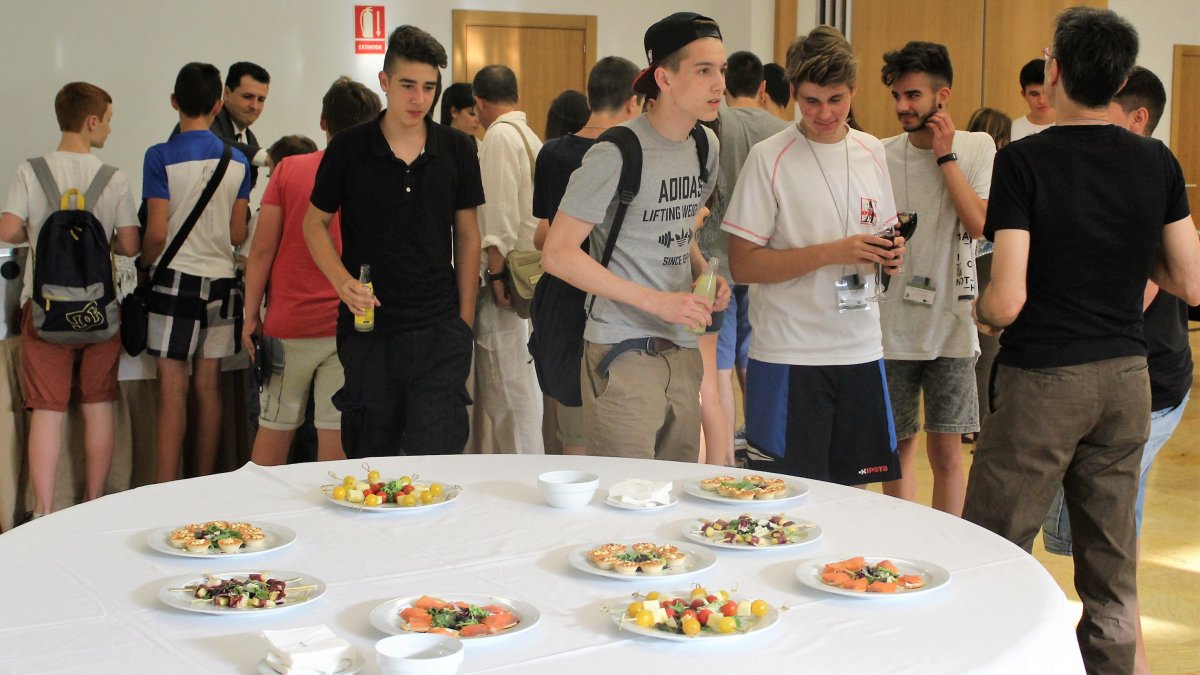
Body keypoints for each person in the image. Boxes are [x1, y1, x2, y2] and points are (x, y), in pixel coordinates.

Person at [964, 9, 1200, 672]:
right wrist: (1123, 265)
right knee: (1110, 571)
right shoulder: (1156, 161)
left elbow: (1007, 298)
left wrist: (982, 310)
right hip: (1128, 376)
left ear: (1056, 72)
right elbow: (1190, 277)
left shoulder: (1024, 162)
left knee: (997, 551)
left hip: (1044, 381)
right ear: (1122, 77)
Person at [1037, 66, 1188, 675]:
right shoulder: (1132, 172)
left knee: (1107, 549)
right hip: (1132, 383)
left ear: (1137, 119)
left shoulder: (1149, 173)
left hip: (1141, 387)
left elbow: (1141, 294)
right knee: (1109, 548)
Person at [721, 26, 905, 486]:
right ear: (793, 94)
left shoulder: (872, 151)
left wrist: (890, 255)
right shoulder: (770, 157)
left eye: (836, 100)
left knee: (857, 492)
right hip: (789, 353)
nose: (824, 113)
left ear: (854, 91)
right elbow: (744, 263)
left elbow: (880, 234)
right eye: (811, 101)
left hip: (861, 348)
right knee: (785, 495)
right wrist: (831, 253)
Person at [542, 12, 729, 462]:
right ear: (663, 78)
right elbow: (557, 254)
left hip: (682, 352)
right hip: (620, 350)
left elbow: (677, 230)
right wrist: (657, 301)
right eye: (703, 71)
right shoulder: (616, 152)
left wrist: (704, 273)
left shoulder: (706, 146)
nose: (718, 84)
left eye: (721, 70)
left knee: (678, 496)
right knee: (627, 500)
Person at [304, 26, 482, 458]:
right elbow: (314, 223)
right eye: (407, 86)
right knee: (371, 463)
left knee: (437, 464)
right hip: (370, 332)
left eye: (428, 87)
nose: (419, 99)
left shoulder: (457, 148)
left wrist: (464, 322)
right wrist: (340, 280)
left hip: (439, 331)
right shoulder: (348, 149)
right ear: (384, 83)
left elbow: (469, 235)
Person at [0, 82, 140, 518]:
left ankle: (43, 512)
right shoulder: (111, 177)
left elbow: (6, 230)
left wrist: (36, 234)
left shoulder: (31, 170)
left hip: (44, 312)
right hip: (100, 311)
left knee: (46, 410)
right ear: (91, 120)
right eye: (109, 121)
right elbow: (131, 245)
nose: (110, 130)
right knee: (97, 404)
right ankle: (93, 504)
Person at [876, 41, 994, 516]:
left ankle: (949, 548)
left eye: (914, 96)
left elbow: (979, 224)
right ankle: (901, 545)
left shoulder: (976, 147)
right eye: (898, 97)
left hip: (952, 324)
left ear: (942, 95)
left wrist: (945, 157)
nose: (904, 106)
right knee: (895, 450)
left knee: (947, 452)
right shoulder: (879, 154)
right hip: (891, 328)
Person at [242, 77, 381, 466]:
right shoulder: (376, 177)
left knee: (273, 428)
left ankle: (258, 521)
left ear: (323, 122)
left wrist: (251, 315)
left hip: (288, 325)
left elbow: (261, 250)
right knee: (335, 440)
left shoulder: (288, 169)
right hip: (350, 324)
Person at [143, 63, 252, 482]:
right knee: (209, 388)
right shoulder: (238, 160)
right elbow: (237, 232)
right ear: (218, 104)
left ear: (174, 101)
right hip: (222, 284)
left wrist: (145, 262)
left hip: (174, 281)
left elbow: (155, 232)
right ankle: (204, 484)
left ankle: (165, 486)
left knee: (173, 393)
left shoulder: (159, 156)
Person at [531, 56, 642, 455]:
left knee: (572, 428)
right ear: (634, 102)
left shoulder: (552, 153)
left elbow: (545, 233)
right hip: (617, 297)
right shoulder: (631, 155)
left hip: (561, 298)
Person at [698, 50, 790, 466]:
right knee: (757, 361)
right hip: (766, 264)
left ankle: (724, 462)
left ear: (724, 82)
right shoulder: (784, 130)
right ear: (764, 88)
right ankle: (763, 450)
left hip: (712, 262)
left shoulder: (714, 126)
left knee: (716, 369)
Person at [472, 64, 546, 455]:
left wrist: (496, 275)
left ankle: (521, 471)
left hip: (510, 279)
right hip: (531, 273)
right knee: (519, 382)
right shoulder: (530, 136)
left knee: (509, 383)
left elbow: (497, 217)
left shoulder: (500, 136)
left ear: (479, 103)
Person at [964, 106, 1010, 445]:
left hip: (964, 258)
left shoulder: (962, 163)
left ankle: (972, 420)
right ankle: (979, 422)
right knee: (988, 347)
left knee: (973, 346)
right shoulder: (1004, 166)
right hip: (989, 256)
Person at [171, 62, 270, 189]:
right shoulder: (205, 122)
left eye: (261, 100)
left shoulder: (251, 141)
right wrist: (266, 156)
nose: (254, 106)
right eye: (247, 97)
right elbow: (213, 143)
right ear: (227, 94)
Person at [1011, 58, 1054, 141]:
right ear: (1024, 95)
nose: (1042, 101)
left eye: (1046, 92)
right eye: (1034, 94)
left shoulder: (1070, 128)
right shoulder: (1012, 130)